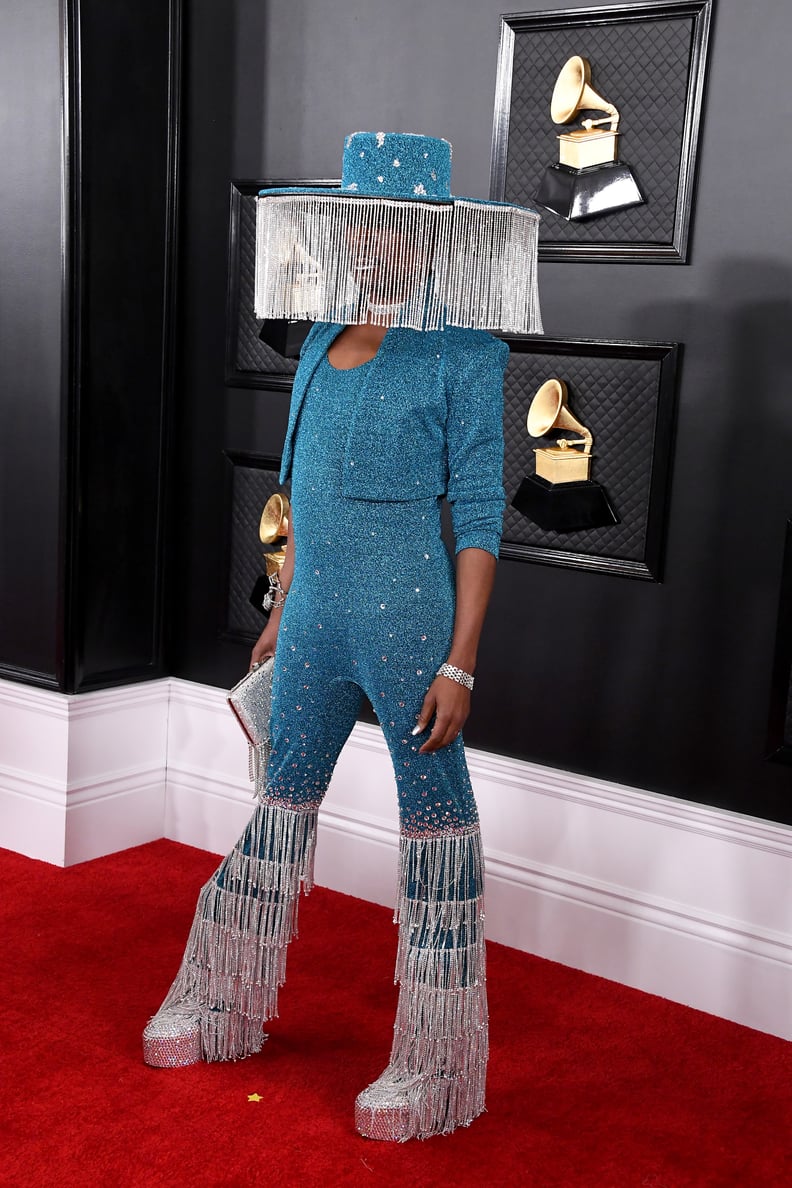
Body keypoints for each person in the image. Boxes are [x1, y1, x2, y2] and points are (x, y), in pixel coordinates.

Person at [142, 132, 542, 1142]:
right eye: (363, 224)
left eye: (398, 229)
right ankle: (222, 997)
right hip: (314, 613)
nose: (378, 244)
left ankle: (435, 1064)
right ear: (344, 229)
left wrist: (461, 660)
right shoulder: (320, 336)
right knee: (281, 802)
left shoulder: (466, 351)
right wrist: (278, 610)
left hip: (411, 621)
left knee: (434, 828)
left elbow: (482, 522)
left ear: (430, 238)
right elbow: (299, 495)